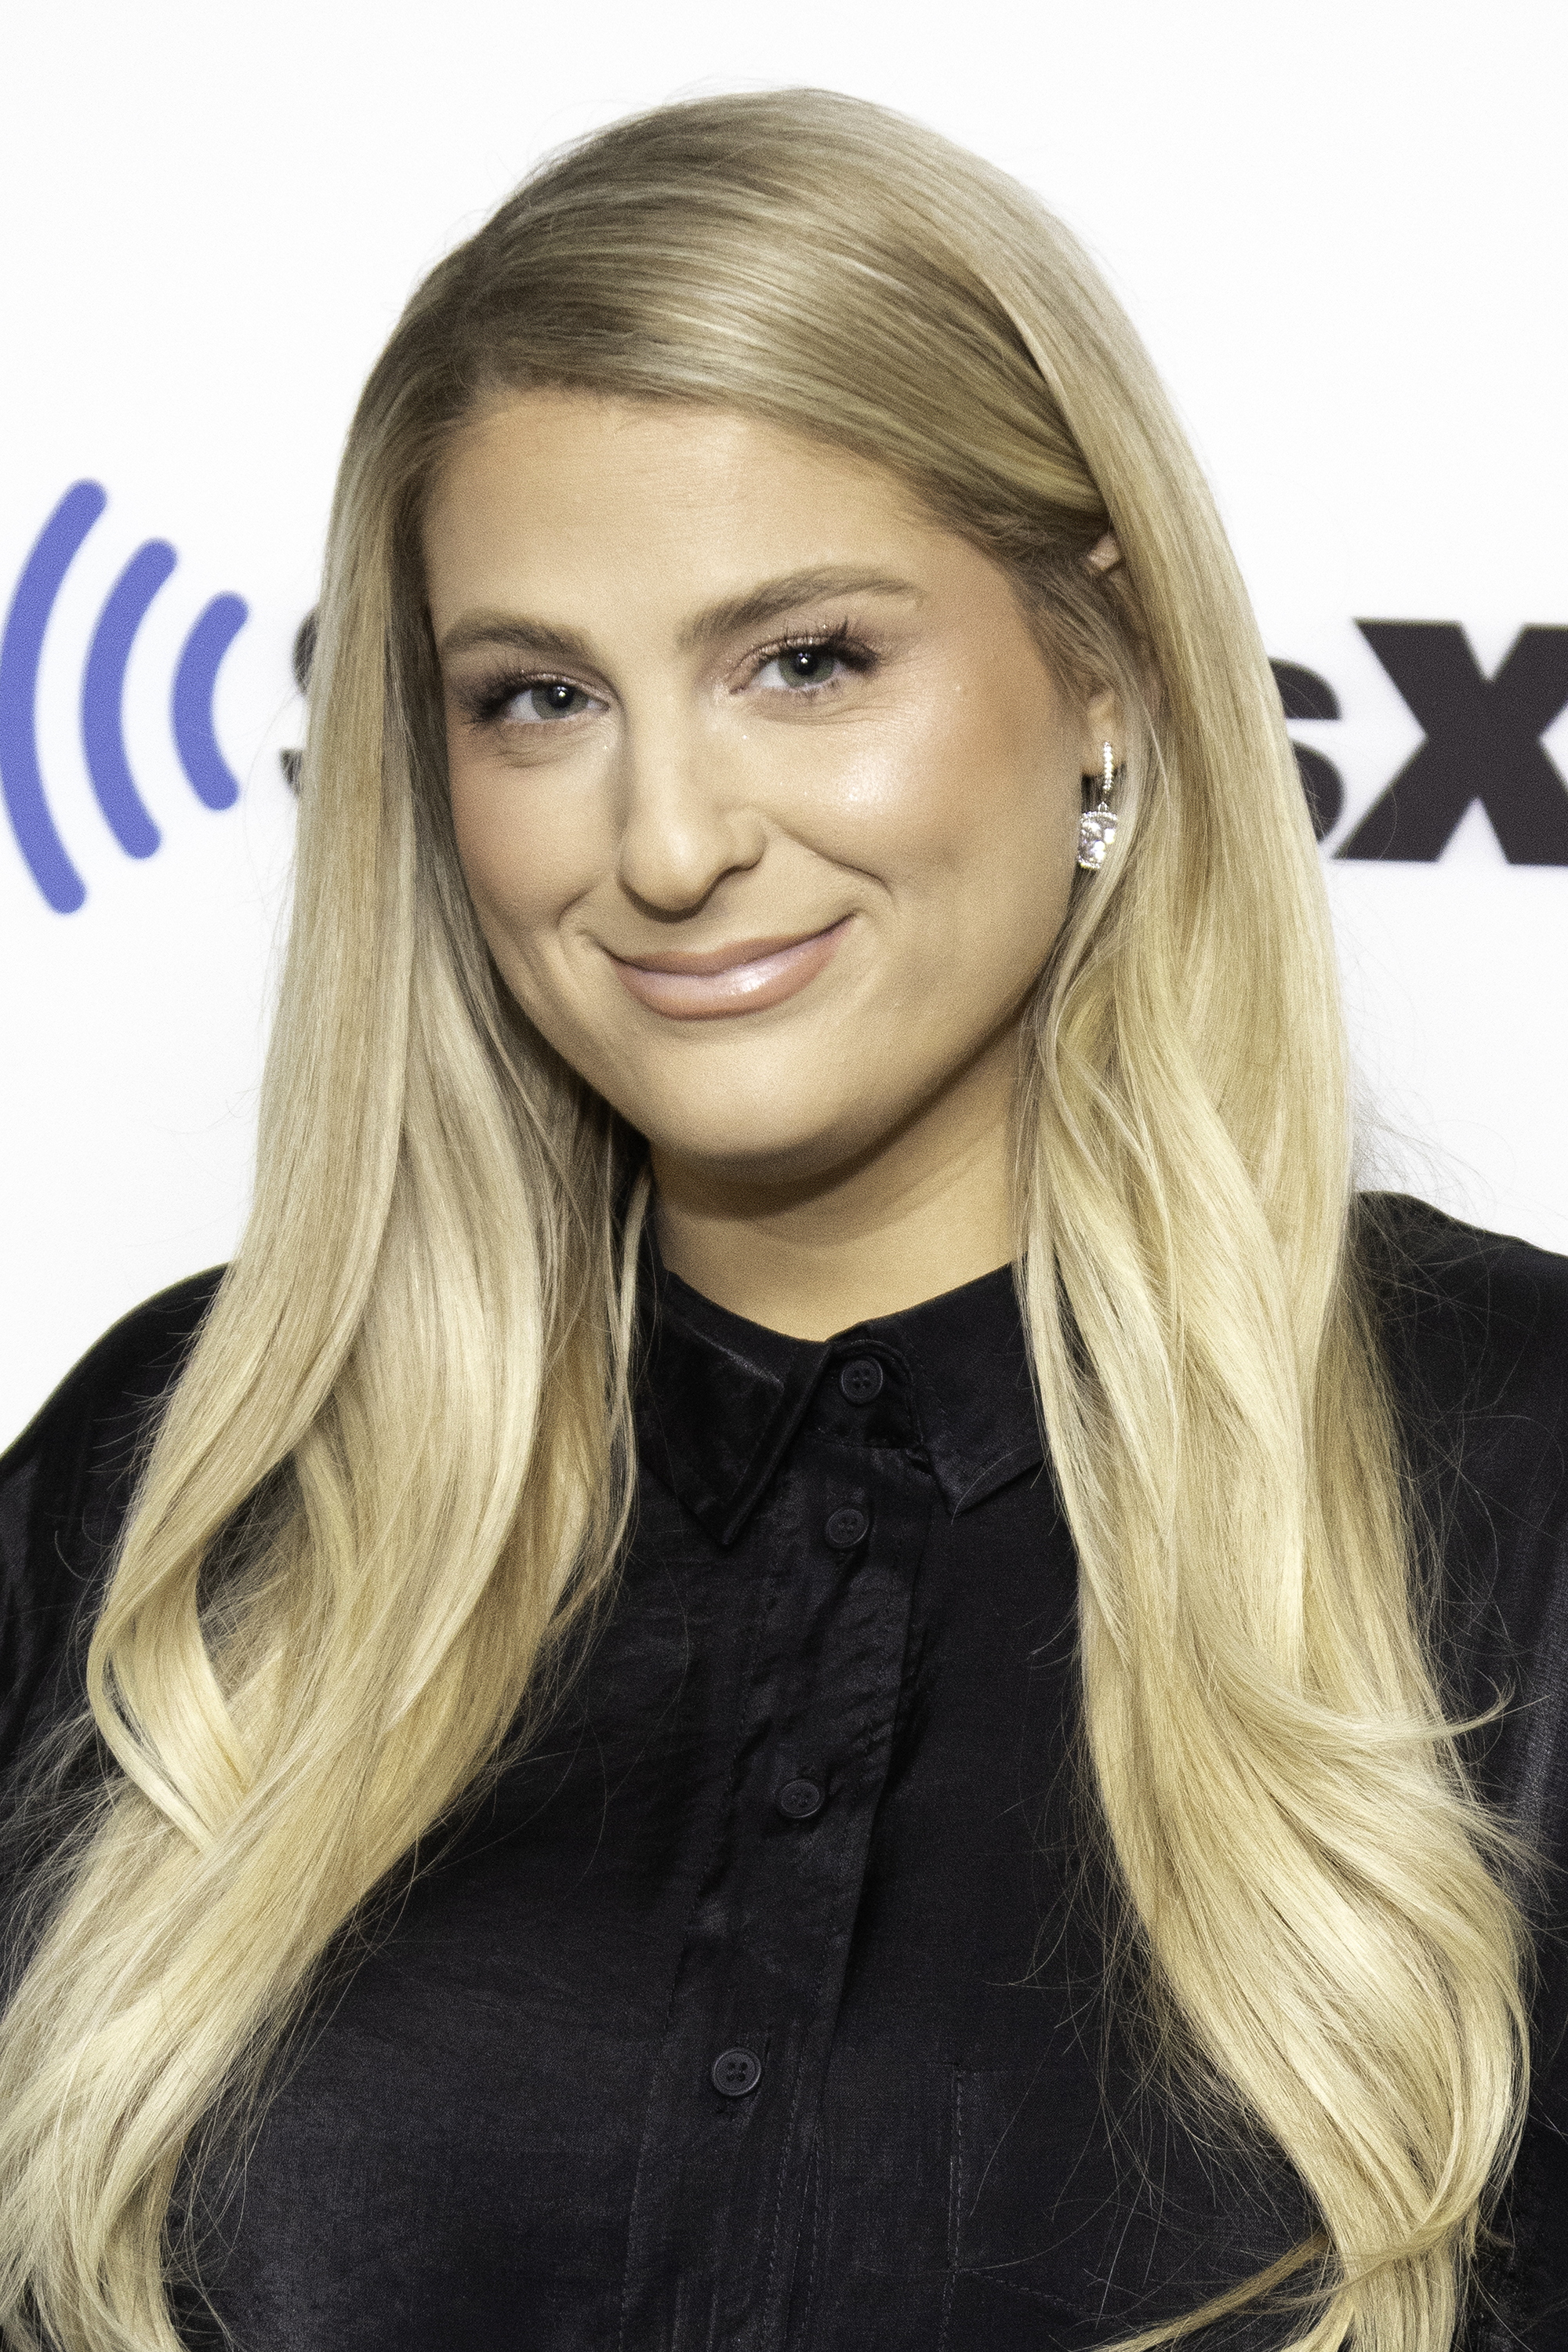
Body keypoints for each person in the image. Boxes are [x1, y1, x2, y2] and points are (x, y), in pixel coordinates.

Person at [1, 87, 1565, 2352]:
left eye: (804, 662)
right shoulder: (186, 1480)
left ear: (1103, 667)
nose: (661, 840)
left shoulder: (1514, 1482)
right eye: (537, 697)